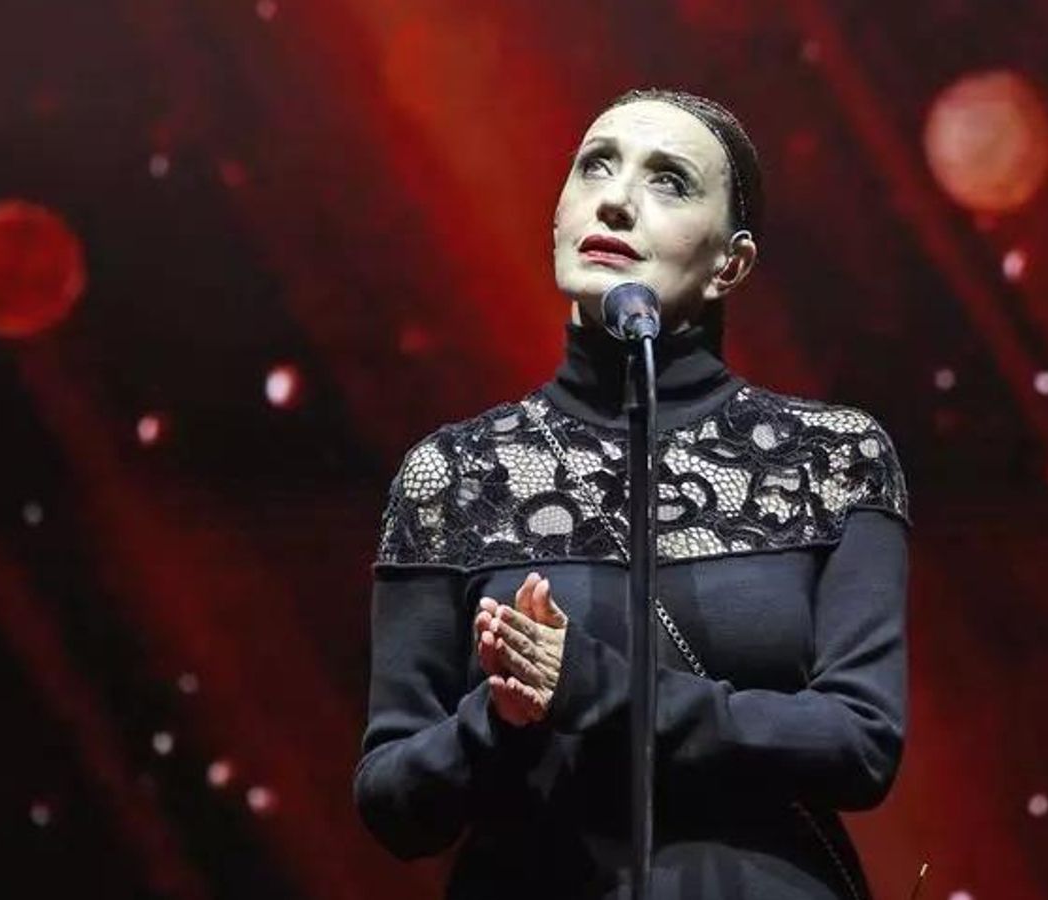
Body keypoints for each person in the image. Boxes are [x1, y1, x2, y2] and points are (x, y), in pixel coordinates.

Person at [353, 87, 910, 900]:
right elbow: (393, 803)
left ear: (732, 264)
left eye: (669, 181)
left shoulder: (831, 458)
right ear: (559, 215)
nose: (615, 198)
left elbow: (859, 745)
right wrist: (498, 719)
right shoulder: (456, 471)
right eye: (595, 166)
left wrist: (596, 688)